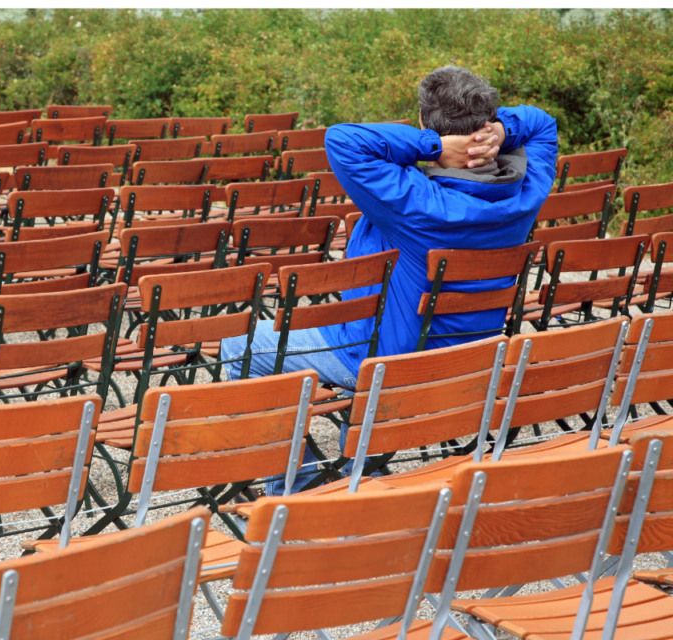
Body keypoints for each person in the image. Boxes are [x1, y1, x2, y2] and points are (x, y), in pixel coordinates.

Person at [221, 66, 558, 494]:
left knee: (240, 347)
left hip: (390, 362)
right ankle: (363, 469)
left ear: (422, 121)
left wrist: (434, 146)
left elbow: (342, 139)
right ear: (488, 124)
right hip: (474, 359)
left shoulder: (414, 200)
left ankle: (298, 487)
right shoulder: (527, 189)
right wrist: (498, 134)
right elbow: (543, 122)